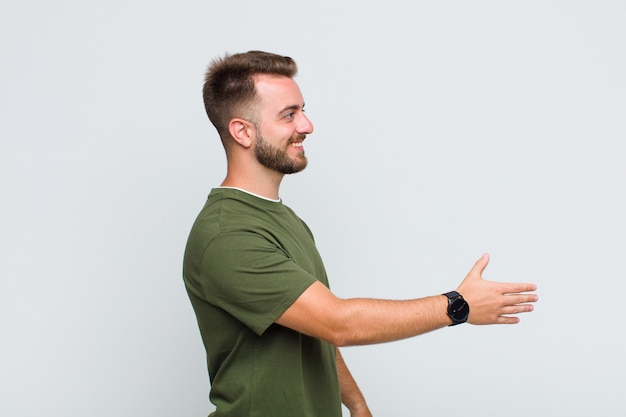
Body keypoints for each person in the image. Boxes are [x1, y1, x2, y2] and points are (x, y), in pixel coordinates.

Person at [183, 50, 538, 417]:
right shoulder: (228, 235)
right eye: (289, 114)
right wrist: (457, 305)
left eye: (302, 110)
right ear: (242, 131)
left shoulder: (283, 219)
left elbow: (313, 327)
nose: (307, 125)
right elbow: (337, 323)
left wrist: (356, 405)